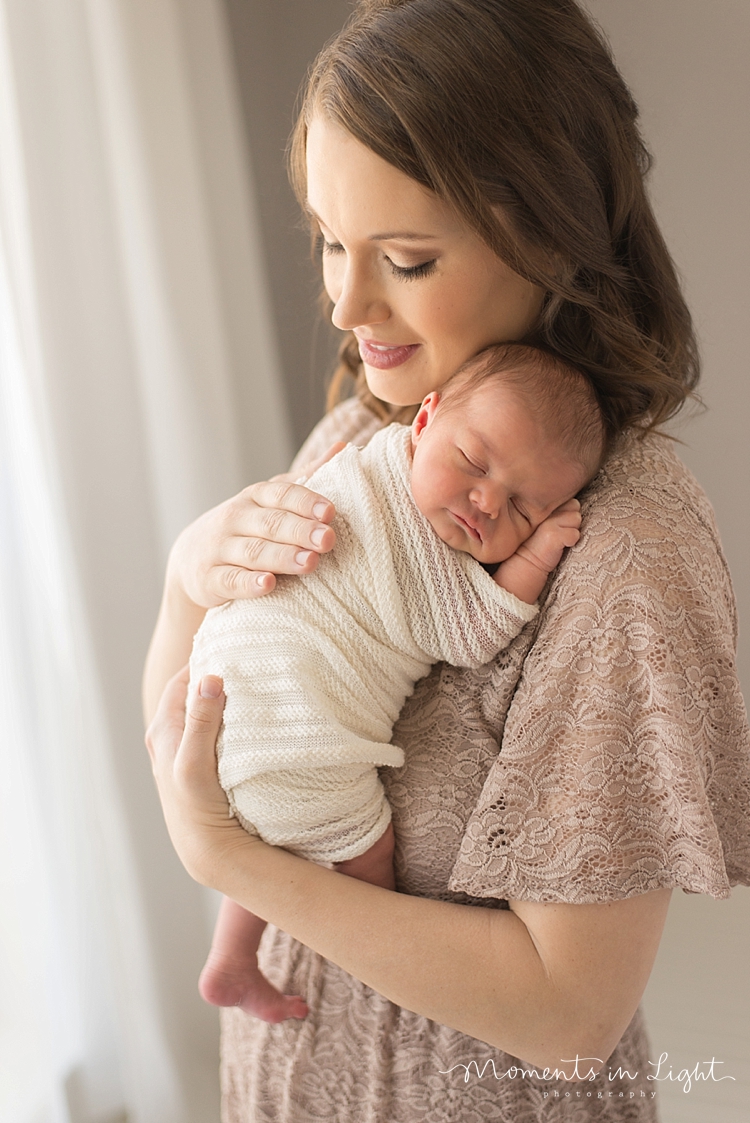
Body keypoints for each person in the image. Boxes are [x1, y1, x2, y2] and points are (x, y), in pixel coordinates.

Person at [143, 1, 750, 1120]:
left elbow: (571, 1018)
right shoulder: (369, 430)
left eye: (406, 259)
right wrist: (190, 573)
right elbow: (198, 719)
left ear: (552, 241)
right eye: (331, 238)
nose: (345, 300)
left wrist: (236, 868)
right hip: (283, 1084)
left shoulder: (621, 555)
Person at [191, 344, 600, 1025]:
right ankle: (387, 979)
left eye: (525, 509)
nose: (486, 502)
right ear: (424, 417)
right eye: (473, 462)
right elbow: (474, 633)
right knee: (364, 850)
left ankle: (231, 956)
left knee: (268, 830)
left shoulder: (362, 459)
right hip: (285, 713)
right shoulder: (396, 521)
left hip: (225, 692)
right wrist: (534, 554)